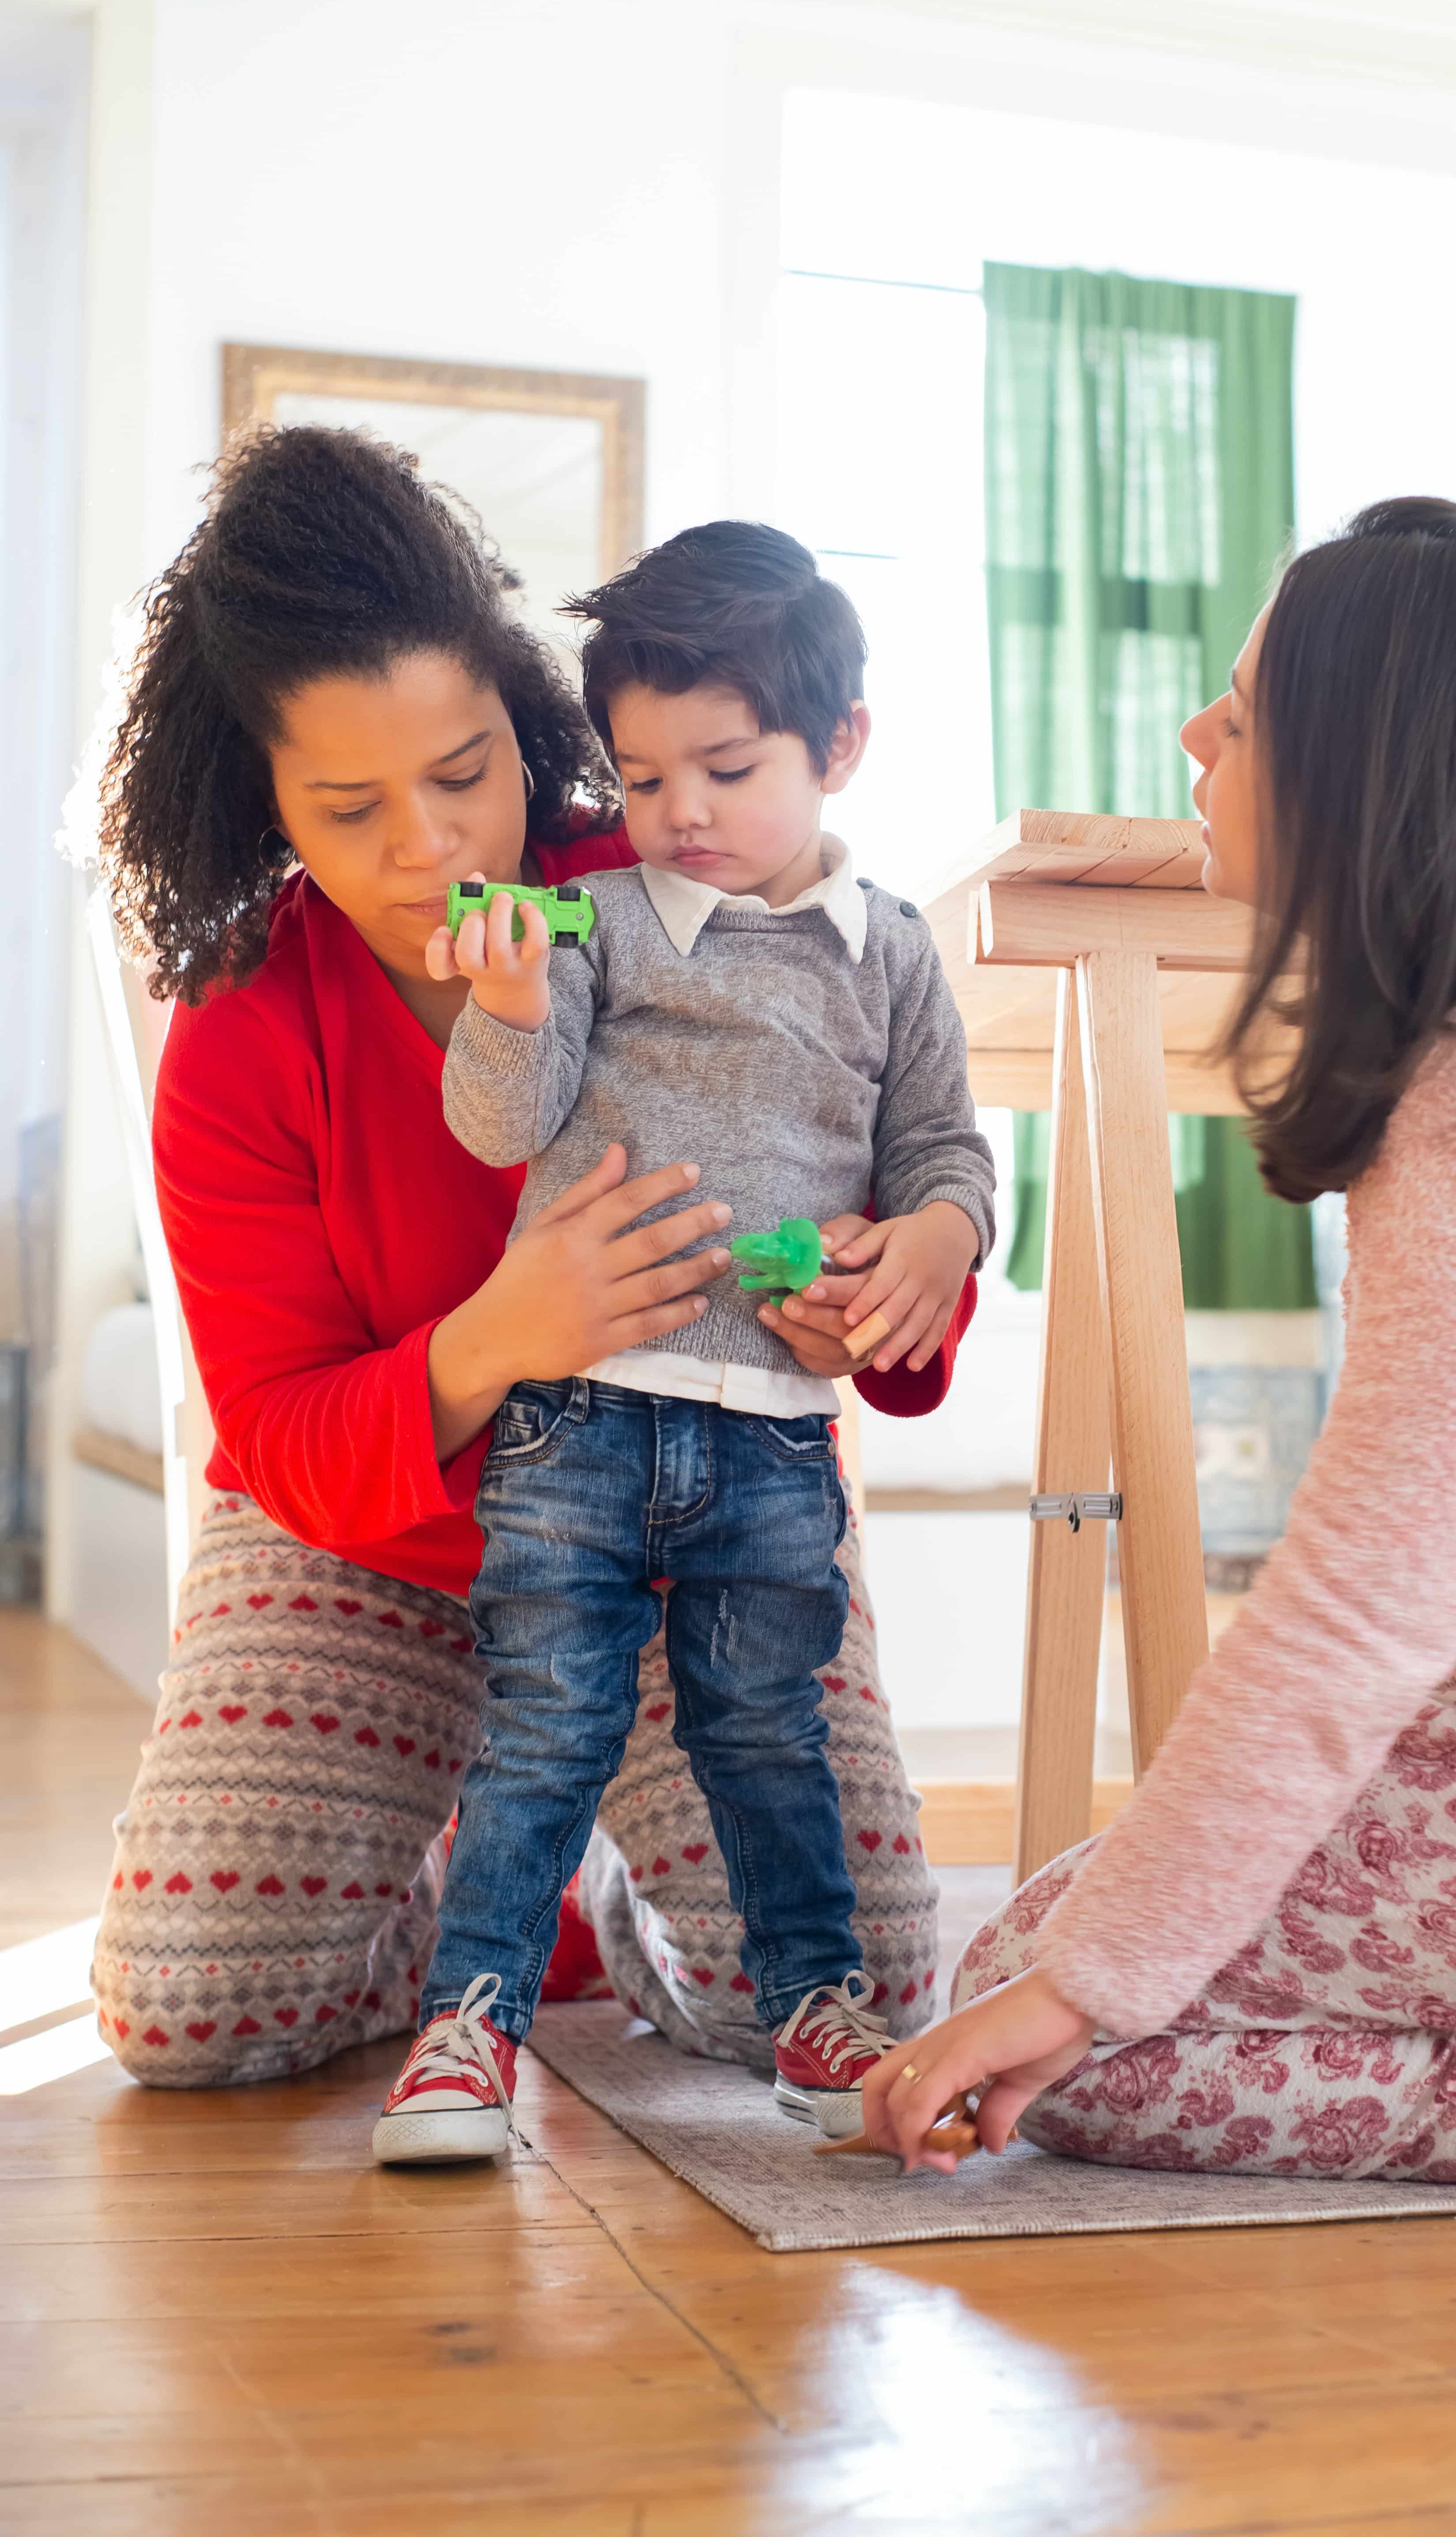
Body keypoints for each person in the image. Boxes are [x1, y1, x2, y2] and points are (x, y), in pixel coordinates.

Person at [865, 497, 1456, 2193]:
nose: (1197, 735)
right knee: (1077, 1951)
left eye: (1245, 711)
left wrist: (1088, 1980)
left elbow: (1361, 1609)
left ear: (1374, 773)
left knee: (1047, 2013)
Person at [87, 426, 968, 2086]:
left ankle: (591, 1890)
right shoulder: (244, 1030)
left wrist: (865, 1287)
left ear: (529, 723)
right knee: (189, 2013)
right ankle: (456, 1874)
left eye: (469, 769)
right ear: (259, 796)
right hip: (379, 1544)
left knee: (847, 1992)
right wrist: (497, 1337)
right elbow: (271, 1432)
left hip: (686, 1530)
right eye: (349, 806)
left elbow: (855, 1176)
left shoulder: (654, 879)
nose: (434, 850)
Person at [373, 525, 993, 2162]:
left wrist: (934, 1239)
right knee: (545, 1722)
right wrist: (506, 1007)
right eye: (644, 780)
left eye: (725, 769)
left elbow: (946, 1155)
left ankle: (813, 2001)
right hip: (577, 1423)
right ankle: (471, 2025)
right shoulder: (591, 919)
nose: (682, 817)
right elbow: (503, 1126)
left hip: (774, 1433)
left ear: (839, 743)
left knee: (765, 1727)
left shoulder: (896, 951)